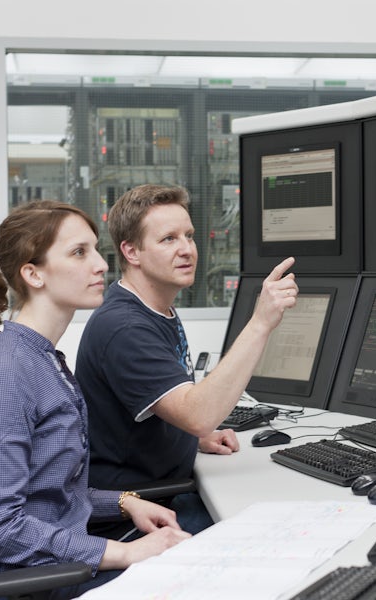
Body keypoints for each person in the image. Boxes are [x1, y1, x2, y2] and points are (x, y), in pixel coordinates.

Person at [0, 200, 190, 600]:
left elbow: (52, 492)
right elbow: (0, 530)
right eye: (79, 252)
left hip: (52, 561)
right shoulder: (2, 375)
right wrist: (125, 553)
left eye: (95, 249)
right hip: (21, 582)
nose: (101, 265)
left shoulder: (42, 358)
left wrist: (125, 502)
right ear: (33, 273)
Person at [75, 184, 298, 535]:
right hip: (132, 518)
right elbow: (198, 416)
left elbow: (165, 414)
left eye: (189, 236)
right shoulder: (125, 328)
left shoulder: (153, 307)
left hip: (159, 492)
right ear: (131, 251)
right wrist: (260, 323)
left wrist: (190, 440)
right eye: (168, 239)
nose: (187, 249)